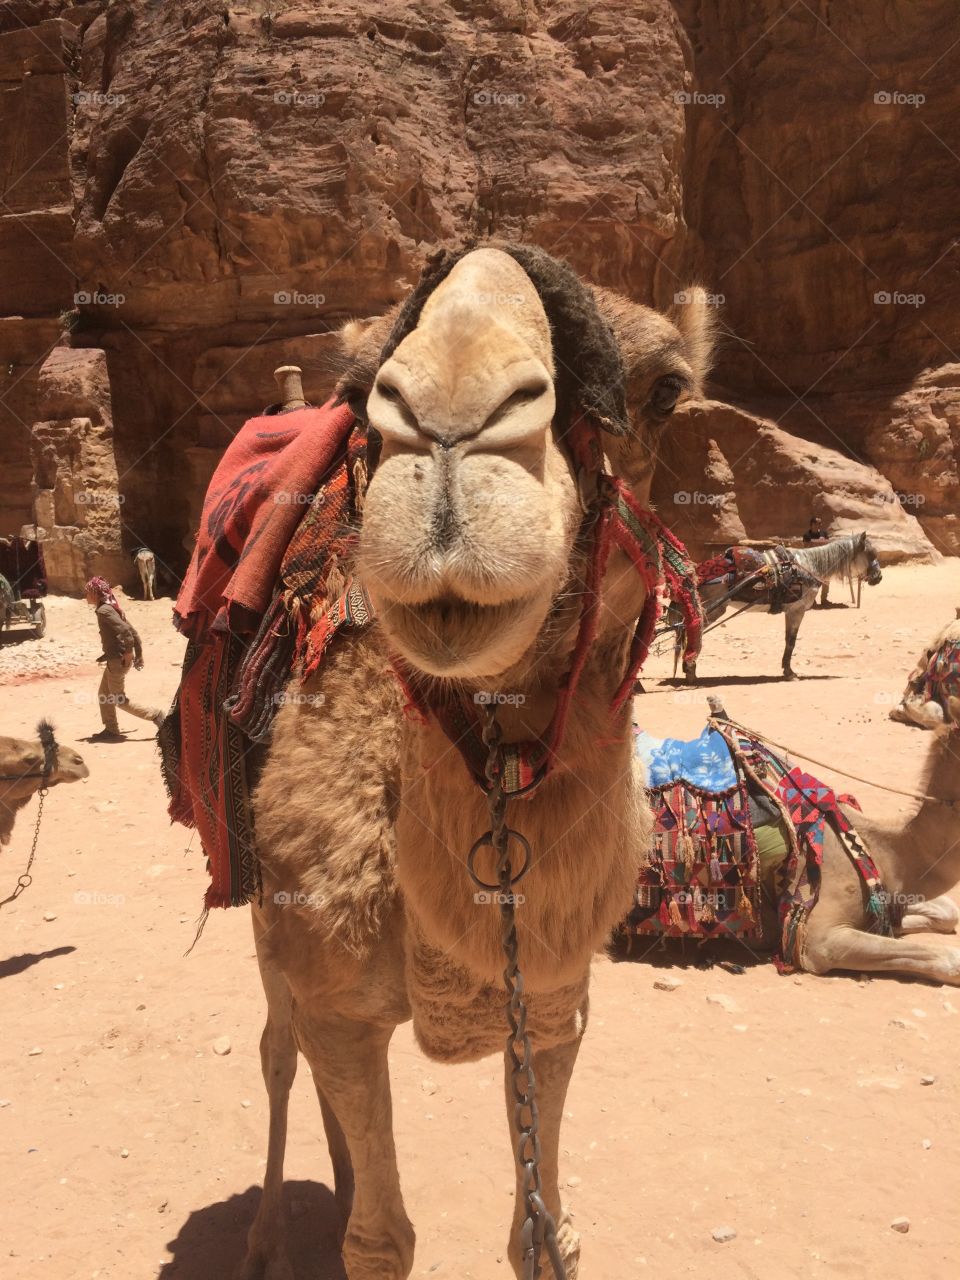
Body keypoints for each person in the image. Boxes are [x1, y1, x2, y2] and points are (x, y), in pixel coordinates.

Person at [84, 576, 164, 741]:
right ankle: (111, 729)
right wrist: (138, 654)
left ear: (95, 593)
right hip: (116, 660)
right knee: (103, 694)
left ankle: (156, 715)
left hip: (118, 661)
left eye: (88, 592)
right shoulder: (110, 607)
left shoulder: (103, 610)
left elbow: (126, 632)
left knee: (119, 700)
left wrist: (129, 652)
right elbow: (132, 631)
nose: (86, 596)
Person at [802, 515, 831, 606]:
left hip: (823, 560)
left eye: (820, 523)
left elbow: (828, 545)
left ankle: (824, 599)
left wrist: (824, 541)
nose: (820, 525)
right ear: (812, 524)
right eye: (818, 523)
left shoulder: (824, 533)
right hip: (812, 562)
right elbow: (805, 548)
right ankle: (812, 601)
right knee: (813, 582)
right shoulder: (807, 535)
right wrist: (816, 541)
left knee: (826, 580)